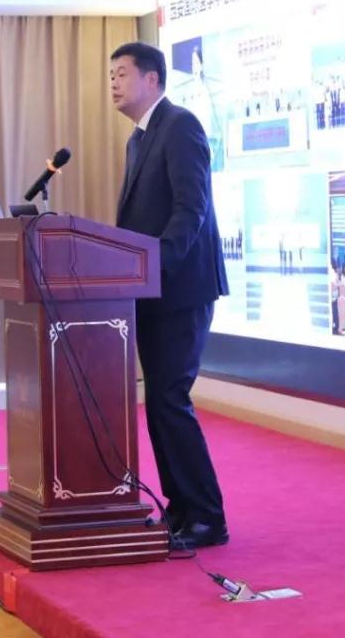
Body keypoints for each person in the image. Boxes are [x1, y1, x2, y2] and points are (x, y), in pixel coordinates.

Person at [110, 42, 229, 548]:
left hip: (181, 287)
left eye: (121, 73)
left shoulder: (180, 125)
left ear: (152, 79)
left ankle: (207, 517)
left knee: (170, 398)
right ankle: (180, 510)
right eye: (111, 75)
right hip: (152, 291)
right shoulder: (139, 139)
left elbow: (190, 208)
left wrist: (155, 266)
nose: (113, 83)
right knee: (159, 401)